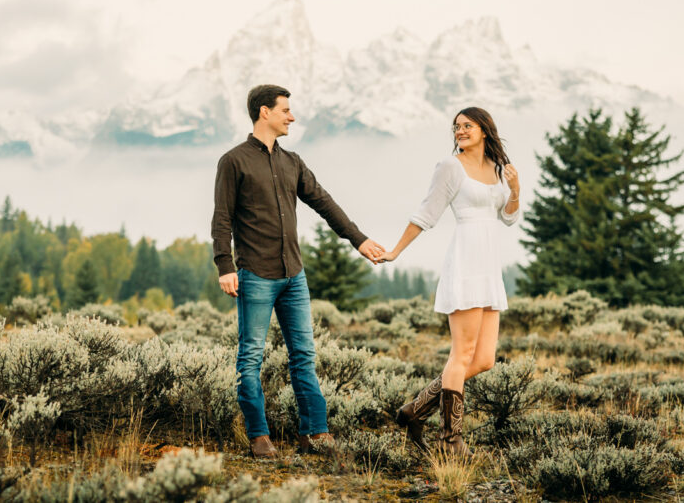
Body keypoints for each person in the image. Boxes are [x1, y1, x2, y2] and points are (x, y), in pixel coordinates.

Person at [211, 84, 386, 458]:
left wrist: (358, 239)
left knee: (304, 355)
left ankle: (315, 433)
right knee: (251, 358)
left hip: (294, 277)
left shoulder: (293, 162)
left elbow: (324, 202)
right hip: (254, 275)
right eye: (285, 110)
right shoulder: (234, 161)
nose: (292, 116)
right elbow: (222, 218)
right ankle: (259, 436)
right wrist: (225, 266)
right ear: (264, 113)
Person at [379, 106, 521, 456]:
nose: (460, 131)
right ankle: (450, 441)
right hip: (466, 260)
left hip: (489, 266)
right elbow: (426, 213)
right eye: (456, 126)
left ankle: (415, 411)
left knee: (485, 359)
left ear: (484, 130)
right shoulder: (449, 166)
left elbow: (509, 218)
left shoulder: (498, 168)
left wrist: (515, 188)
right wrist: (396, 251)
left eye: (467, 126)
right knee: (461, 354)